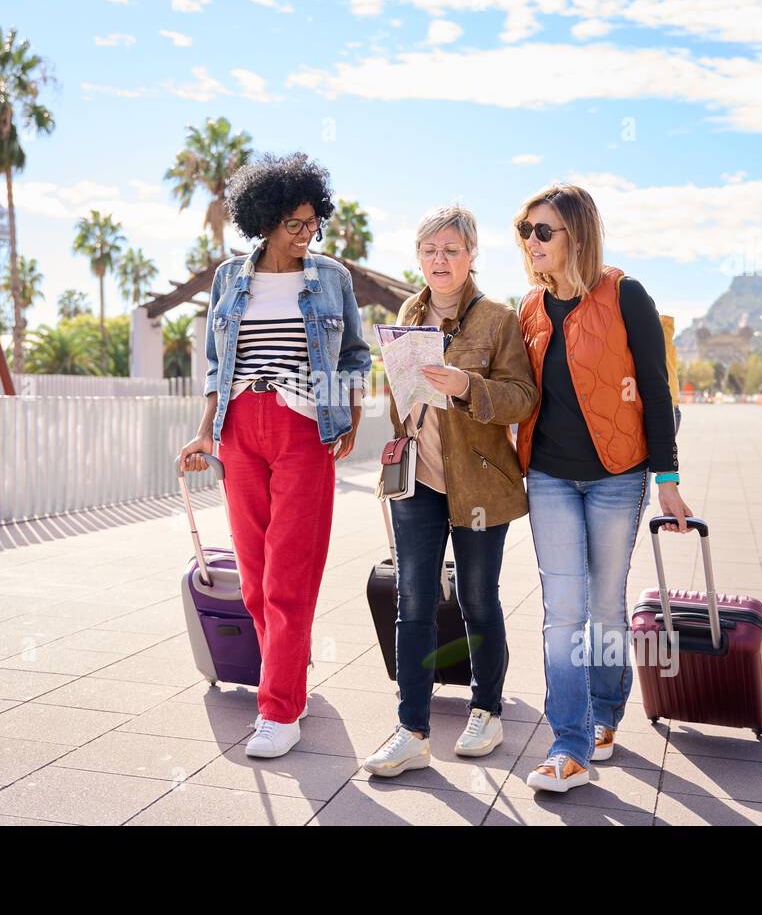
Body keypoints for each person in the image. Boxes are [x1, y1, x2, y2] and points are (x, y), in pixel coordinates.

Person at [177, 152, 372, 760]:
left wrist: (351, 412)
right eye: (293, 223)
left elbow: (354, 356)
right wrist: (206, 432)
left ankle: (279, 710)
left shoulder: (331, 277)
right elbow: (216, 363)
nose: (305, 233)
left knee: (289, 575)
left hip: (301, 426)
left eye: (313, 221)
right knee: (256, 581)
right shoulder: (229, 279)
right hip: (239, 429)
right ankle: (288, 681)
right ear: (263, 220)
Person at [513, 184, 692, 794]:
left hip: (619, 476)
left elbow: (656, 391)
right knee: (562, 613)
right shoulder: (530, 308)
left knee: (606, 607)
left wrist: (666, 480)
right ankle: (568, 743)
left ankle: (605, 716)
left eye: (543, 231)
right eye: (525, 231)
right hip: (550, 476)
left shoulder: (626, 295)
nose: (531, 243)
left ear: (578, 236)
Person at [363, 205, 538, 778]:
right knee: (412, 603)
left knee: (477, 599)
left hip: (480, 480)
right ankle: (411, 729)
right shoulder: (406, 315)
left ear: (471, 256)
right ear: (419, 256)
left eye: (452, 250)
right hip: (419, 480)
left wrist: (467, 386)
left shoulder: (496, 319)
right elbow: (397, 400)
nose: (440, 260)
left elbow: (521, 397)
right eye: (430, 250)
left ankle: (486, 710)